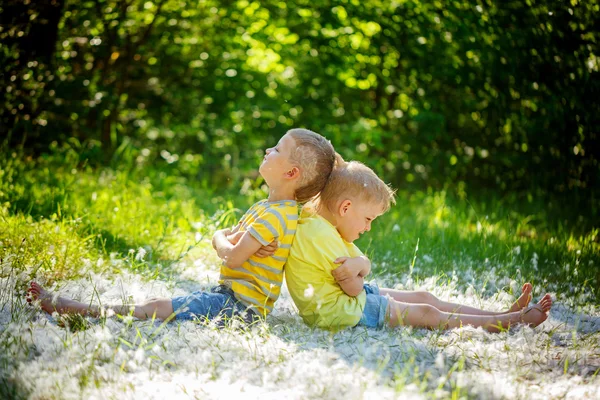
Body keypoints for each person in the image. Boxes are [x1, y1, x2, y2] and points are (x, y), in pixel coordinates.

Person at [27, 128, 337, 324]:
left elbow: (231, 255)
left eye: (278, 149)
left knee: (157, 307)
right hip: (231, 297)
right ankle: (80, 306)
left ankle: (77, 308)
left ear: (291, 173)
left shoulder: (275, 215)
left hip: (241, 309)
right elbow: (233, 240)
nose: (268, 150)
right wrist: (227, 238)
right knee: (162, 304)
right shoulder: (272, 209)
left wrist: (220, 239)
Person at [285, 158, 552, 332]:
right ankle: (509, 322)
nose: (368, 227)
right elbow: (354, 289)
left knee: (425, 297)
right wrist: (359, 267)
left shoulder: (325, 226)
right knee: (426, 312)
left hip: (346, 298)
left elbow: (363, 264)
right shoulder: (318, 236)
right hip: (342, 312)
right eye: (368, 219)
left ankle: (503, 312)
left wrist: (360, 264)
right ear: (345, 207)